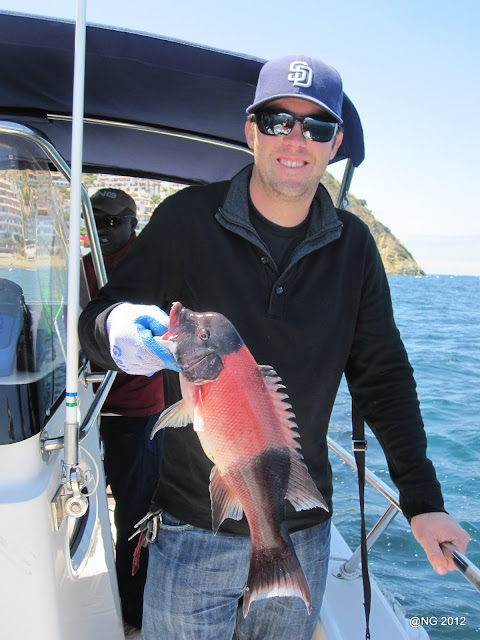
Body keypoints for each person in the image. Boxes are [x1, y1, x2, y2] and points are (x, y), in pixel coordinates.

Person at [78, 57, 469, 640]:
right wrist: (117, 330)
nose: (295, 139)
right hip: (191, 527)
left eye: (316, 127)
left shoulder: (354, 247)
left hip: (301, 530)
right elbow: (96, 319)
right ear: (251, 130)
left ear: (335, 143)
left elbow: (383, 377)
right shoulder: (185, 219)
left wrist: (423, 500)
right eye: (278, 120)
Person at [82, 188, 165, 633]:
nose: (105, 228)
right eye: (96, 219)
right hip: (85, 404)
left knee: (134, 510)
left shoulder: (148, 267)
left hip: (135, 410)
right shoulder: (83, 266)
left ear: (134, 224)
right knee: (87, 502)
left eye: (115, 220)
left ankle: (133, 609)